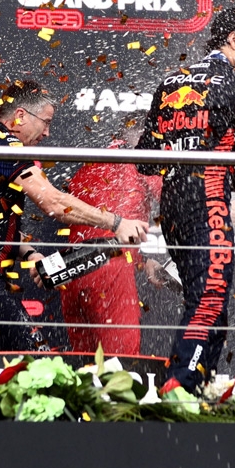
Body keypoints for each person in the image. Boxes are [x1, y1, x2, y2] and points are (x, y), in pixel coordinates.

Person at [138, 7, 235, 392]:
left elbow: (145, 158)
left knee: (207, 303)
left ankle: (197, 389)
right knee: (209, 301)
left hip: (173, 207)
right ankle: (181, 389)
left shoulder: (173, 79)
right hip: (209, 206)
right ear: (234, 40)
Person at [0, 81, 147, 351]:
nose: (47, 132)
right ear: (20, 116)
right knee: (34, 362)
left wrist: (30, 254)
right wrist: (116, 223)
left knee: (6, 366)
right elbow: (55, 203)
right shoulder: (3, 146)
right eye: (46, 122)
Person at [55, 118, 163, 358]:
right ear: (143, 137)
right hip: (109, 269)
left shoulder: (92, 163)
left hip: (71, 268)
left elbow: (97, 228)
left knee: (85, 363)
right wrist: (225, 209)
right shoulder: (143, 160)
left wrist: (143, 261)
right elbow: (178, 201)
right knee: (121, 361)